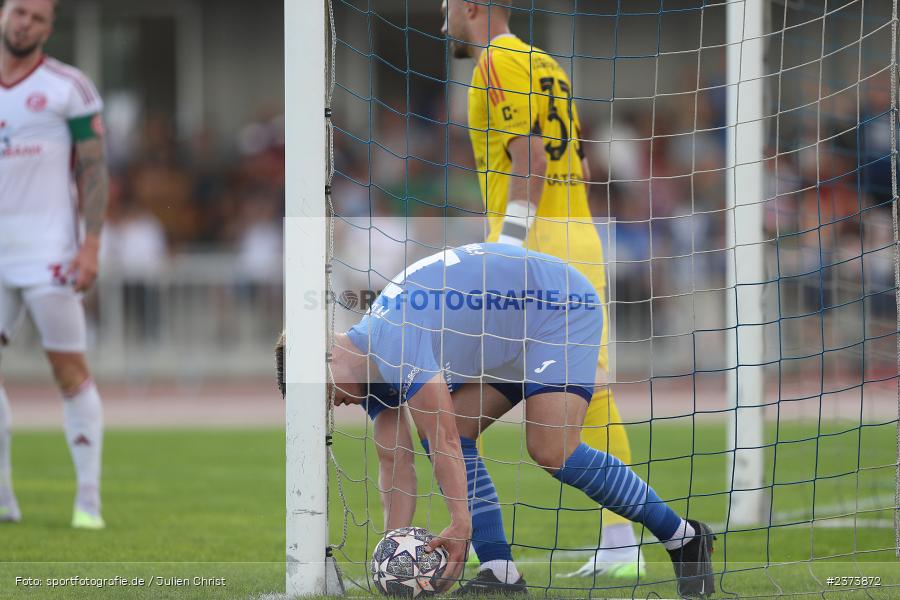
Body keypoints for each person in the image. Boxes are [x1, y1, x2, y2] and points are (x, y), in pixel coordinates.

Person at [278, 243, 715, 598]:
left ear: (329, 356)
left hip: (556, 305)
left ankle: (682, 536)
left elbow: (442, 435)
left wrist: (461, 525)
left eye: (318, 395)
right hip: (511, 327)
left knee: (550, 449)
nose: (329, 407)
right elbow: (396, 464)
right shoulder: (372, 372)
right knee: (460, 433)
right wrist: (397, 553)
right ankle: (500, 573)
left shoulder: (392, 338)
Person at [443, 0, 644, 579]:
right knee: (595, 393)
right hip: (581, 238)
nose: (441, 13)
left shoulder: (494, 61)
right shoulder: (547, 63)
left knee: (444, 410)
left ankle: (490, 556)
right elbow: (570, 160)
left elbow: (529, 152)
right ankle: (620, 541)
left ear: (473, 5)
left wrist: (509, 241)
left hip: (534, 252)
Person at [0, 0, 109, 529]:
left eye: (37, 18)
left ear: (49, 28)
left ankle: (87, 501)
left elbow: (94, 171)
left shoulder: (70, 87)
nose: (25, 23)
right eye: (19, 12)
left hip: (49, 253)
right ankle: (3, 500)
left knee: (68, 371)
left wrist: (90, 245)